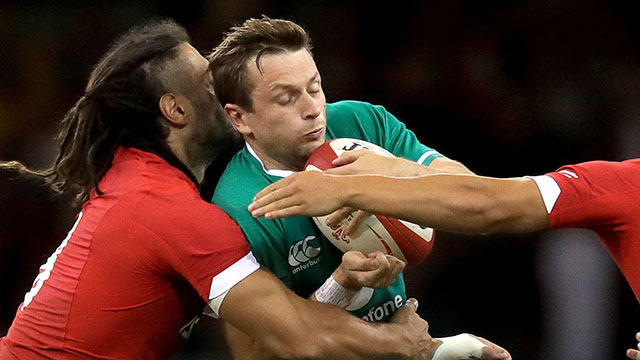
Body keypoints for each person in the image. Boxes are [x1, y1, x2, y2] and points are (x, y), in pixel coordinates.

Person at [0, 19, 455, 360]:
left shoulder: (135, 177)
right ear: (176, 109)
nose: (224, 93)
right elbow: (296, 335)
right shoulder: (172, 211)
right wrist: (411, 344)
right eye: (209, 84)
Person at [208, 16, 509, 359]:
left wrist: (387, 175)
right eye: (286, 98)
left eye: (314, 87)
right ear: (240, 118)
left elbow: (476, 199)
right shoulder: (237, 209)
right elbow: (258, 354)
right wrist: (343, 284)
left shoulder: (360, 123)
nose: (312, 110)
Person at [248, 149, 640, 359]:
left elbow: (491, 206)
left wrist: (348, 190)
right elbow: (489, 197)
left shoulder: (626, 185)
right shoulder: (624, 186)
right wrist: (401, 170)